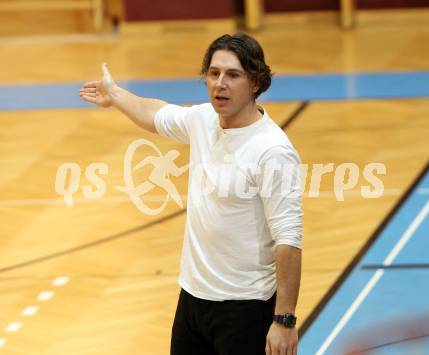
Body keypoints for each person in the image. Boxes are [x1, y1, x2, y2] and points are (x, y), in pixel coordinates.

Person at [79, 32, 303, 355]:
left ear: (255, 83)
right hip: (193, 301)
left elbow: (289, 240)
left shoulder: (273, 151)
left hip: (244, 309)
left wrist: (284, 321)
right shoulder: (204, 120)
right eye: (213, 73)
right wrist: (115, 94)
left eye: (232, 75)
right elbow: (154, 113)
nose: (219, 83)